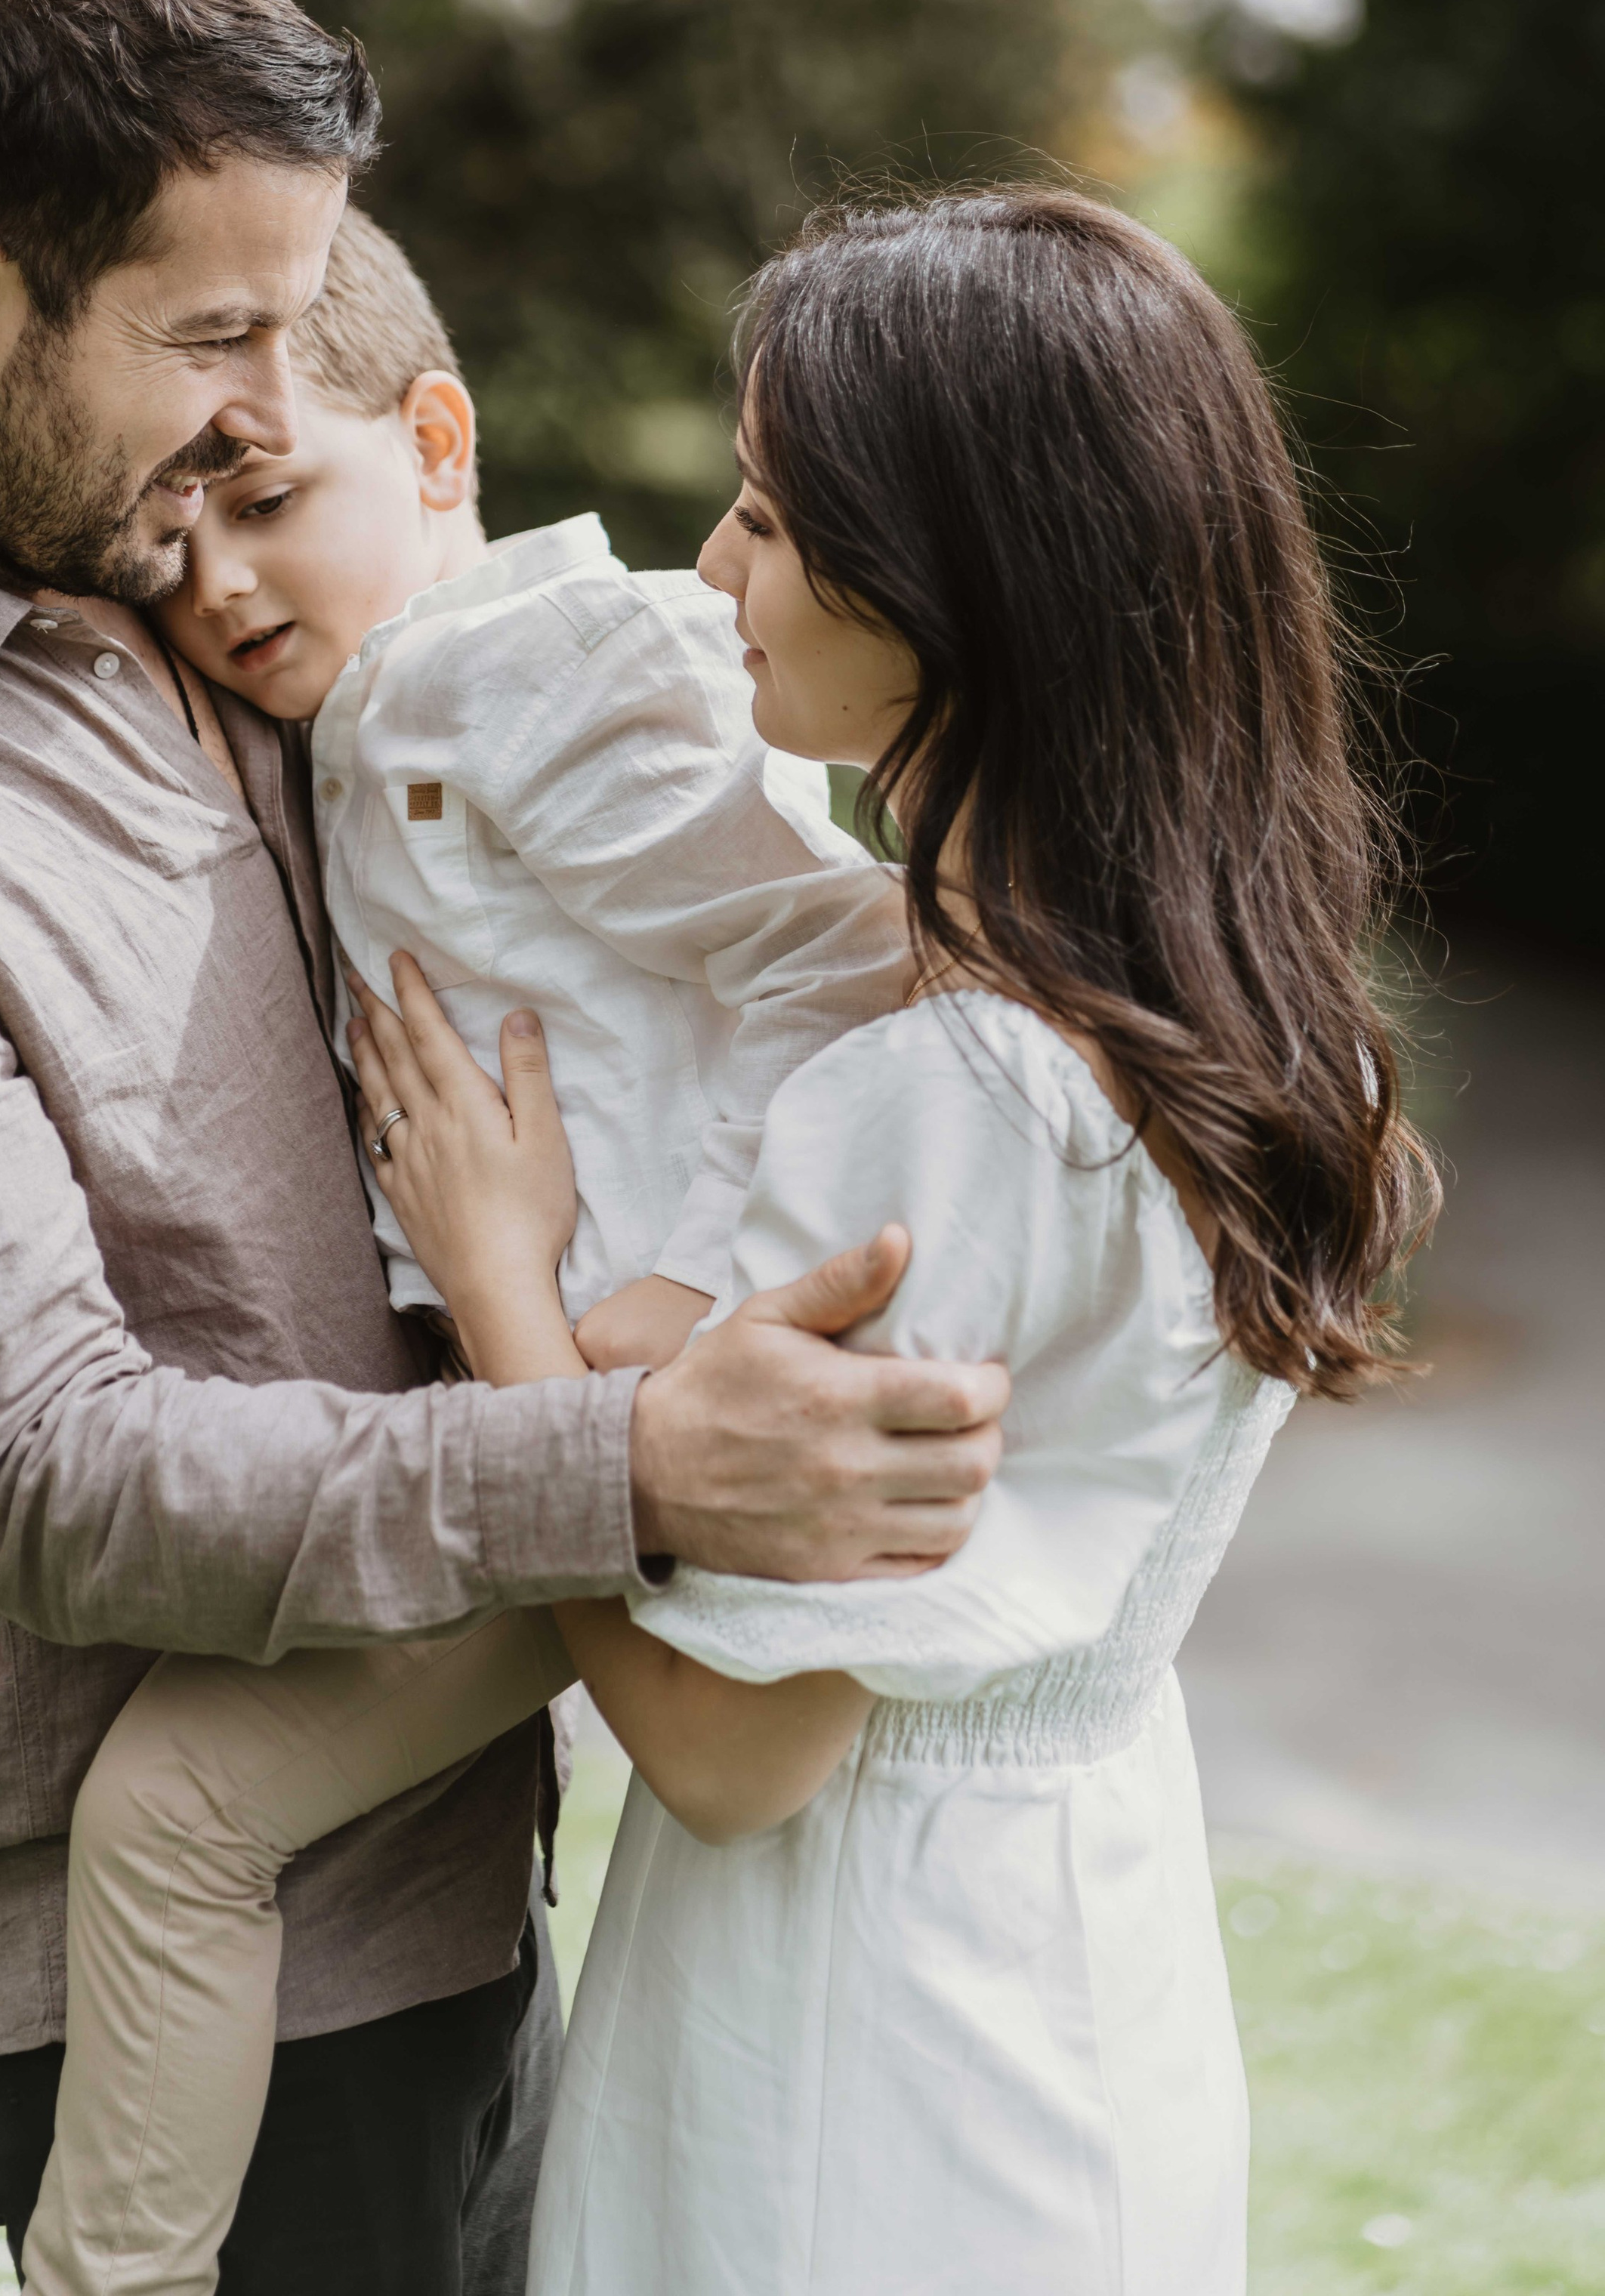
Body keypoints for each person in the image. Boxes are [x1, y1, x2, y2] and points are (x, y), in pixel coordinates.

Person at [0, 0, 1010, 2296]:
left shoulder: (148, 582)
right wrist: (627, 1453)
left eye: (293, 342)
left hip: (435, 1887)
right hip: (201, 1995)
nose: (255, 416)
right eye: (214, 339)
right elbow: (49, 1476)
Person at [350, 190, 1440, 2294]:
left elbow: (734, 1749)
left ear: (963, 586)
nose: (715, 572)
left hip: (862, 2034)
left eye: (768, 517)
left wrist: (498, 1280)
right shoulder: (1179, 1010)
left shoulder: (959, 1097)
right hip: (1073, 1947)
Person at [17, 199, 909, 2296]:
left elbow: (852, 956)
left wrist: (664, 1311)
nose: (217, 579)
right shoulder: (362, 705)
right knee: (185, 1816)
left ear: (437, 435)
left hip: (607, 1395)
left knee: (174, 1816)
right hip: (531, 1410)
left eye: (264, 494)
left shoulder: (534, 675)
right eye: (173, 541)